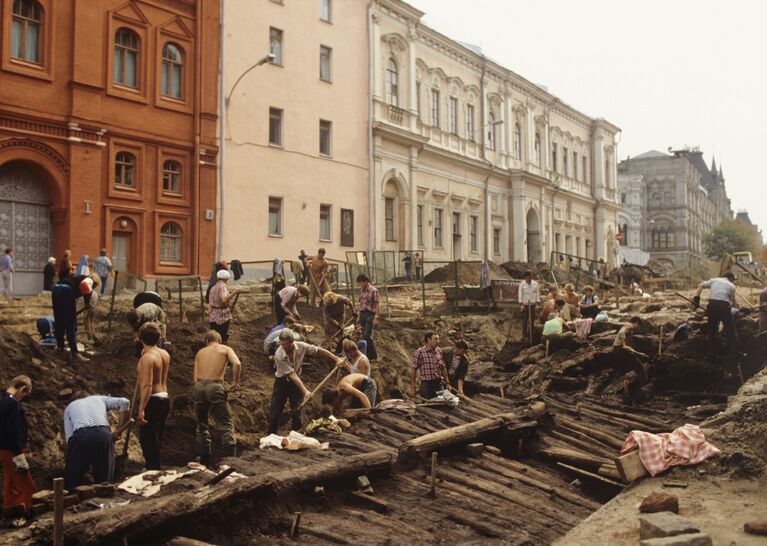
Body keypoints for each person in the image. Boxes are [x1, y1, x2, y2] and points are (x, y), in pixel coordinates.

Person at [268, 332, 344, 434]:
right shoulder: (279, 354)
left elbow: (318, 350)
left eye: (287, 344)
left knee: (297, 412)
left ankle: (296, 436)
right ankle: (271, 436)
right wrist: (305, 391)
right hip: (282, 383)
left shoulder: (301, 346)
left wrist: (336, 359)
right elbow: (292, 375)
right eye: (282, 344)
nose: (284, 346)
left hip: (295, 384)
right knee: (275, 413)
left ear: (292, 342)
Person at [63, 393, 130, 491]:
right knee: (104, 481)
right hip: (103, 435)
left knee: (72, 478)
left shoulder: (69, 408)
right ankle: (104, 497)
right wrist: (119, 429)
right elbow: (125, 402)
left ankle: (69, 495)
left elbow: (70, 439)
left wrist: (75, 459)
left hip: (81, 436)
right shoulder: (99, 398)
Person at [194, 331, 242, 465]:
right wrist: (235, 382)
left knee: (201, 424)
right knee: (226, 424)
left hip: (199, 387)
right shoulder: (225, 349)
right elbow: (237, 364)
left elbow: (195, 377)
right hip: (214, 386)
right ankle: (229, 461)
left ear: (206, 341)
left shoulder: (200, 352)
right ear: (219, 340)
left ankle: (204, 459)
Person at [136, 323, 171, 470]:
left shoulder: (147, 358)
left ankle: (153, 469)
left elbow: (147, 385)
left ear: (140, 338)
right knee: (156, 437)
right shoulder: (164, 354)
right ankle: (154, 467)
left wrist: (142, 408)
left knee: (148, 438)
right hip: (164, 397)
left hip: (153, 399)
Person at [0, 376, 35, 515]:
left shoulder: (2, 399)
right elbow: (13, 430)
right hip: (12, 450)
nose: (23, 398)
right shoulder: (13, 403)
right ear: (23, 389)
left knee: (11, 485)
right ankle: (21, 517)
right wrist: (19, 455)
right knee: (27, 486)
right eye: (26, 394)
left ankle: (8, 512)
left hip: (4, 448)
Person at [694, 272, 741, 356]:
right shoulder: (731, 286)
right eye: (733, 280)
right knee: (731, 330)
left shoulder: (714, 280)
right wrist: (737, 308)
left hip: (712, 305)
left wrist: (696, 299)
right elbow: (733, 303)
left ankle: (711, 353)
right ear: (731, 278)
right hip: (724, 306)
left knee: (711, 330)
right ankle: (736, 353)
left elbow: (700, 285)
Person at [52, 277, 89, 362]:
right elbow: (86, 291)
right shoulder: (89, 281)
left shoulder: (76, 279)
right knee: (71, 324)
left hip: (56, 289)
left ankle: (60, 347)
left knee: (59, 320)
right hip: (66, 291)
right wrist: (87, 303)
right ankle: (74, 352)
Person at [409, 332, 451, 399]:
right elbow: (414, 369)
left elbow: (443, 367)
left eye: (438, 339)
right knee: (428, 406)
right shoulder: (419, 352)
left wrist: (447, 383)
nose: (438, 341)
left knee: (444, 403)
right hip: (426, 385)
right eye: (436, 339)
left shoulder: (439, 351)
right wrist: (412, 387)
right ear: (428, 339)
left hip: (439, 384)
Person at [208, 270, 246, 343]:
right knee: (221, 336)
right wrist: (236, 291)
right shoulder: (222, 287)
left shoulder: (213, 288)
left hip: (214, 314)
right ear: (227, 279)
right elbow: (224, 300)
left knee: (214, 336)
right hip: (222, 315)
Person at [356, 274, 380, 361]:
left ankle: (373, 355)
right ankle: (368, 353)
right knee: (363, 334)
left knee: (367, 335)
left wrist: (376, 317)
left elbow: (377, 305)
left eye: (361, 282)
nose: (360, 285)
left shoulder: (374, 290)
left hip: (370, 314)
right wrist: (359, 315)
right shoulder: (362, 290)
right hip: (363, 314)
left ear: (366, 281)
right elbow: (361, 304)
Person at [518, 271, 540, 342]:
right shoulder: (522, 284)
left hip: (533, 305)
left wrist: (537, 304)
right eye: (528, 277)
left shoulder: (535, 284)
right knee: (525, 320)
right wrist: (521, 304)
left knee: (532, 320)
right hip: (525, 305)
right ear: (525, 277)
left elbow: (537, 294)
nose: (530, 278)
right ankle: (524, 334)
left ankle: (531, 334)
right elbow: (520, 294)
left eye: (531, 277)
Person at [82, 275, 101, 344]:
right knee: (90, 323)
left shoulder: (89, 293)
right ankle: (93, 335)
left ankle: (90, 338)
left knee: (87, 323)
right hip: (93, 308)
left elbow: (87, 302)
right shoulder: (95, 294)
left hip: (88, 309)